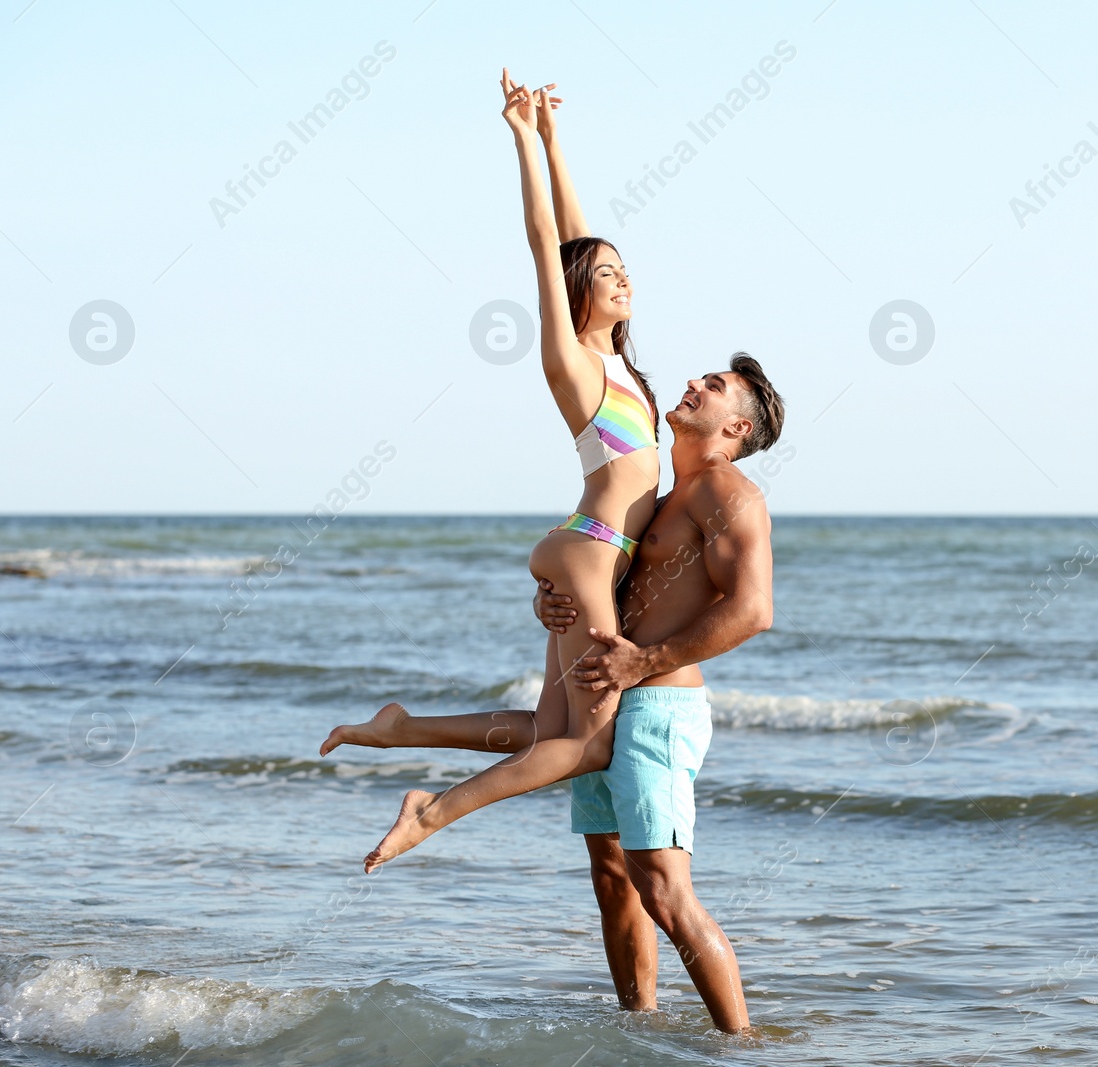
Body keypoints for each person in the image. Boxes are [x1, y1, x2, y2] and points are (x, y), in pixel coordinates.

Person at [321, 358, 787, 1033]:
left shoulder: (728, 491)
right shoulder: (661, 496)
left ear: (737, 425)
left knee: (664, 889)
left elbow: (754, 609)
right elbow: (614, 575)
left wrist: (645, 660)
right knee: (612, 878)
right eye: (701, 376)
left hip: (658, 708)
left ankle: (741, 1044)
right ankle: (640, 1028)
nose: (694, 383)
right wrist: (555, 595)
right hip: (615, 693)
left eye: (714, 387)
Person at [353, 71, 662, 871]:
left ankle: (403, 729)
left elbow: (577, 241)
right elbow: (546, 245)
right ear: (575, 297)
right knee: (589, 746)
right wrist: (522, 138)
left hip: (589, 549)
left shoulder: (621, 365)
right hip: (592, 549)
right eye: (607, 276)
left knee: (547, 730)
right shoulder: (574, 364)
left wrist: (559, 138)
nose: (622, 277)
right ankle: (431, 810)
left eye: (626, 268)